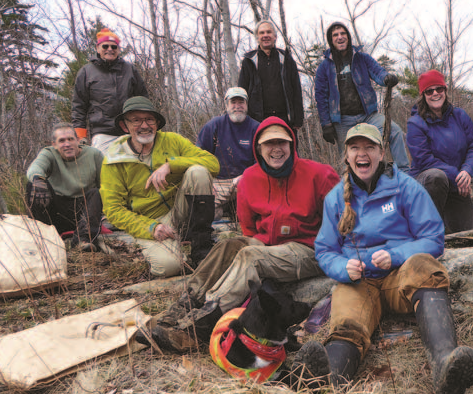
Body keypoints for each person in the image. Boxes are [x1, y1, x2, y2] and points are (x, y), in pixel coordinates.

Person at [292, 123, 473, 393]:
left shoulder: (404, 187)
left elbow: (433, 237)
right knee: (347, 322)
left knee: (424, 266)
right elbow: (325, 250)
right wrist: (343, 267)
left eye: (370, 147)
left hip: (401, 277)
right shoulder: (336, 198)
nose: (363, 153)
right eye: (355, 147)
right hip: (360, 283)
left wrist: (395, 256)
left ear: (382, 153)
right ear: (346, 155)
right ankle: (324, 382)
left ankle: (444, 364)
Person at [139, 117, 340, 353]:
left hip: (309, 250)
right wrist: (264, 250)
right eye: (269, 143)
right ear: (258, 148)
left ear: (291, 144)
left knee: (250, 256)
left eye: (282, 142)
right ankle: (182, 308)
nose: (276, 149)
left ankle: (197, 328)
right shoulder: (250, 179)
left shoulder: (319, 174)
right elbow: (248, 228)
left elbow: (342, 219)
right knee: (229, 246)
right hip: (269, 247)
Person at [101, 96, 219, 278]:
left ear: (157, 123)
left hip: (180, 207)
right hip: (151, 220)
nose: (144, 125)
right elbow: (113, 210)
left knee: (198, 171)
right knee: (169, 267)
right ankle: (161, 246)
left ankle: (201, 249)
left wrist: (172, 165)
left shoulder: (172, 140)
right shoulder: (114, 159)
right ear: (125, 126)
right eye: (136, 120)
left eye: (149, 119)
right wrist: (151, 227)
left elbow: (212, 163)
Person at [315, 22, 410, 172]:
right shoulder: (324, 67)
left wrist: (387, 79)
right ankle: (349, 189)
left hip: (368, 116)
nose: (340, 37)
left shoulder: (362, 58)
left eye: (343, 34)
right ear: (331, 40)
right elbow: (321, 96)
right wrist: (326, 124)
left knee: (394, 131)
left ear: (348, 37)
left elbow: (378, 71)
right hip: (342, 120)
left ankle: (405, 173)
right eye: (335, 35)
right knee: (346, 159)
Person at [407, 69, 473, 234]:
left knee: (469, 236)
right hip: (428, 183)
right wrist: (457, 176)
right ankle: (425, 231)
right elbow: (424, 160)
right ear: (423, 95)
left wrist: (467, 171)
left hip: (457, 183)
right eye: (429, 91)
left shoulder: (460, 116)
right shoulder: (415, 123)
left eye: (439, 89)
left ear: (445, 90)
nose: (435, 94)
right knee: (436, 177)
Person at [26, 123, 104, 251]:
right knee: (33, 184)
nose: (67, 144)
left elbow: (106, 182)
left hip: (84, 212)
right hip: (56, 209)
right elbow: (34, 168)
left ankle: (82, 240)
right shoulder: (49, 153)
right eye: (61, 141)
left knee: (97, 192)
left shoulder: (94, 154)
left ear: (78, 140)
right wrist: (38, 180)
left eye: (70, 139)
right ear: (54, 144)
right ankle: (43, 236)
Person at [72, 28, 149, 154]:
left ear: (118, 49)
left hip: (130, 130)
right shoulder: (86, 72)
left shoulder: (130, 70)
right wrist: (80, 135)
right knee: (104, 168)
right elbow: (79, 105)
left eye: (114, 47)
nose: (110, 49)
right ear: (97, 48)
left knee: (135, 168)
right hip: (102, 132)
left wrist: (144, 125)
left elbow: (143, 100)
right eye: (105, 46)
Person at [196, 87, 260, 220]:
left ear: (247, 104)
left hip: (246, 180)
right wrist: (207, 181)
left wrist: (246, 176)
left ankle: (238, 211)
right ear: (226, 105)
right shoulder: (214, 125)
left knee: (253, 214)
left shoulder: (256, 128)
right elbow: (199, 156)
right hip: (218, 183)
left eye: (241, 102)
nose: (237, 106)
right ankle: (225, 211)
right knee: (204, 214)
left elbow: (261, 161)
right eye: (233, 102)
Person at [237, 20, 304, 131]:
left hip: (285, 119)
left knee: (287, 148)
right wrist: (243, 119)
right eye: (262, 33)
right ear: (257, 37)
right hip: (257, 121)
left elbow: (296, 89)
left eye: (269, 32)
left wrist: (298, 119)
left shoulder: (286, 58)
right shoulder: (249, 61)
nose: (265, 35)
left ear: (275, 36)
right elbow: (242, 92)